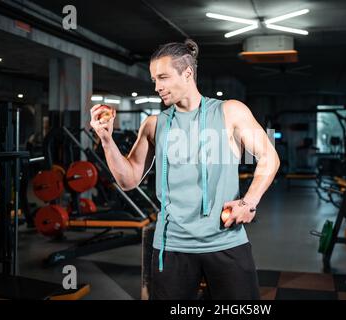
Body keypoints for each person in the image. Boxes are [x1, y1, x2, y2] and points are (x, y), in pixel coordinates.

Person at [90, 39, 280, 300]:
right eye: (155, 79)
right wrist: (107, 140)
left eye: (164, 77)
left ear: (188, 73)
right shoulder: (153, 124)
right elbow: (128, 180)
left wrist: (250, 202)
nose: (157, 87)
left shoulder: (230, 112)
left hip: (226, 242)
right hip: (172, 246)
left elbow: (269, 157)